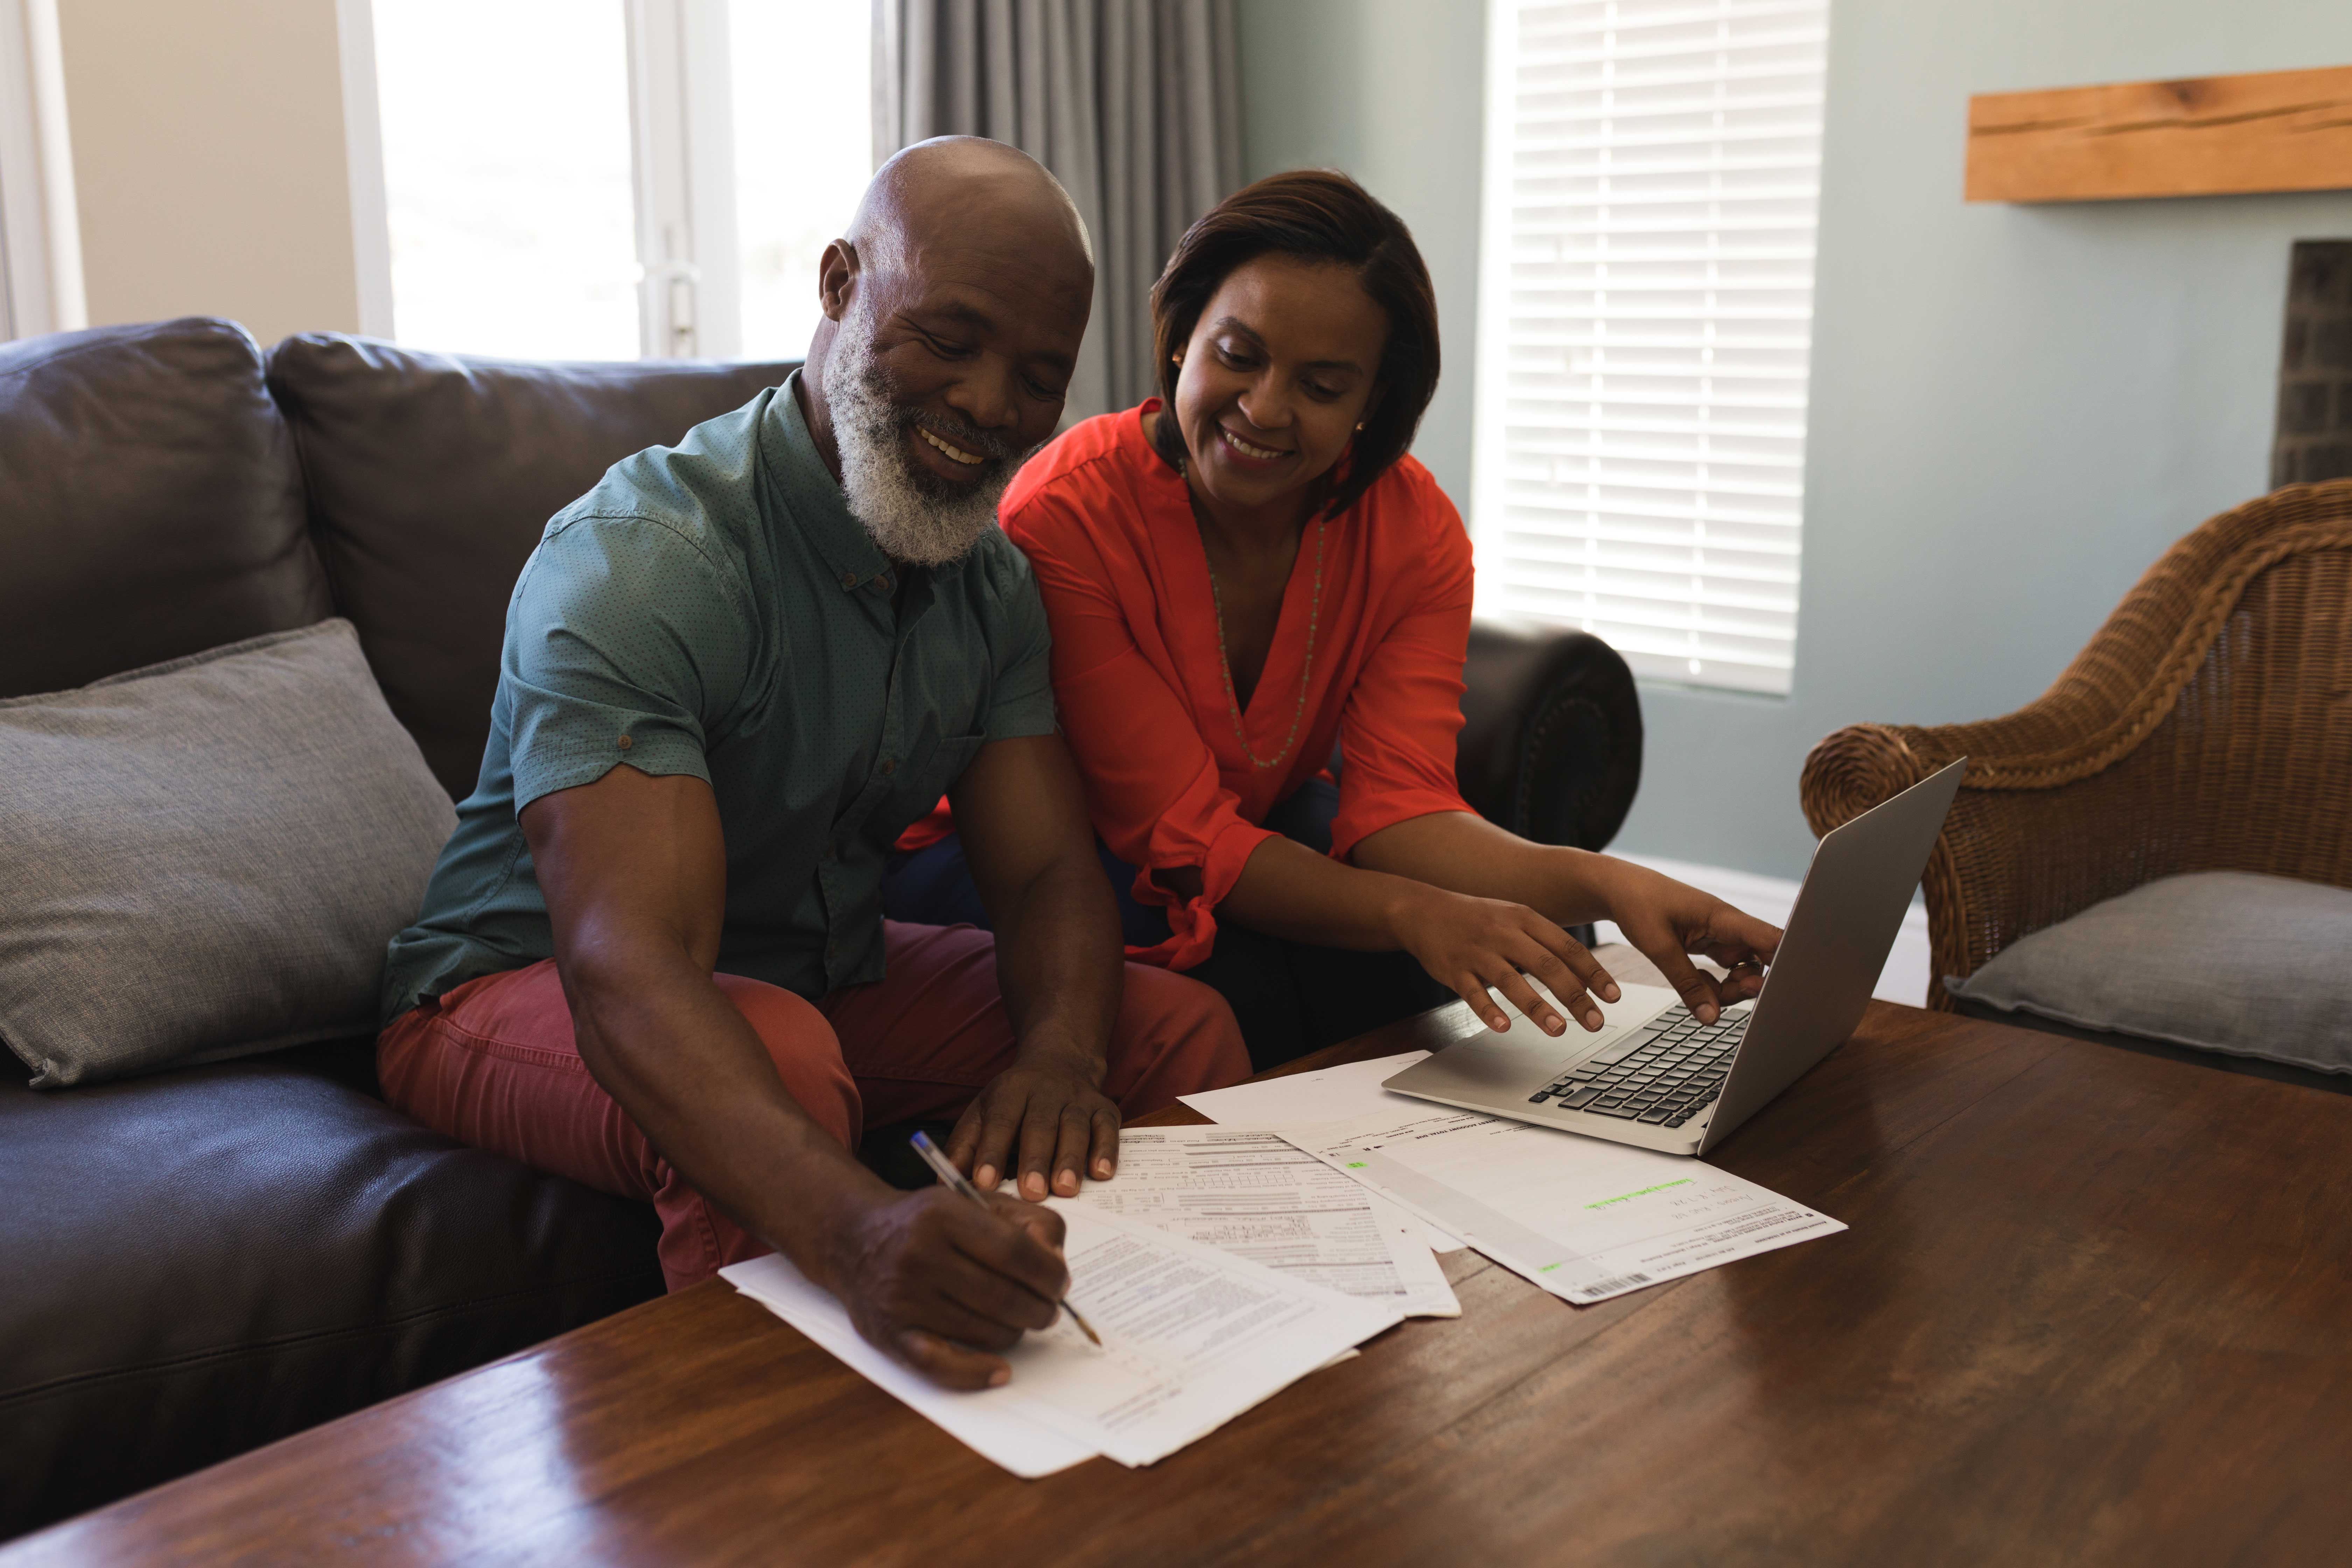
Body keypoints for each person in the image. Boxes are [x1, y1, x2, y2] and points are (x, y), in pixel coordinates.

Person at [374, 138, 1250, 1391]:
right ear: (841, 284)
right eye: (949, 339)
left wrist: (1057, 1062)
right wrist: (860, 1232)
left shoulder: (988, 579)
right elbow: (629, 971)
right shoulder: (644, 561)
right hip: (511, 989)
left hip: (799, 974)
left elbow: (1050, 870)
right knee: (776, 1051)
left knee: (1174, 1034)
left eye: (1038, 375)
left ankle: (1147, 1397)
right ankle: (795, 1486)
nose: (992, 404)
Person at [887, 169, 1782, 1071]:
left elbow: (1404, 810)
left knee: (1421, 985)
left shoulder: (1411, 527)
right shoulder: (1067, 514)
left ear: (1371, 405)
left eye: (1321, 386)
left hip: (1224, 837)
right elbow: (1185, 836)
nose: (1266, 408)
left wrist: (1613, 884)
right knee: (1291, 980)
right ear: (1180, 340)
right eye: (1238, 356)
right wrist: (1412, 913)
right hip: (1022, 863)